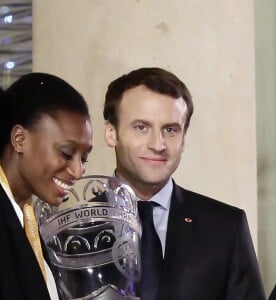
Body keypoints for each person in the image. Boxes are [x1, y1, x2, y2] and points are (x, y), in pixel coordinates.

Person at [102, 67, 266, 300]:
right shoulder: (73, 231)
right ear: (111, 133)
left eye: (170, 130)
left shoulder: (225, 227)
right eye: (141, 127)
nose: (158, 144)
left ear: (183, 139)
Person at [0, 73, 93, 300]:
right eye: (66, 153)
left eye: (84, 159)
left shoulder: (26, 215)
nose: (78, 171)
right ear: (20, 139)